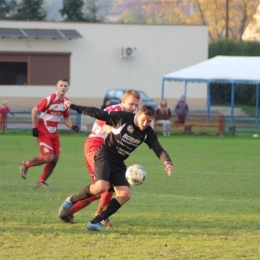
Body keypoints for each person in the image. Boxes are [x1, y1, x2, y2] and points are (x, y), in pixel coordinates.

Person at [59, 101, 173, 232]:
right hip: (104, 156)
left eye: (149, 121)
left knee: (125, 194)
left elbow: (157, 148)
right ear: (138, 114)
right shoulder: (123, 118)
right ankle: (71, 200)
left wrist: (167, 162)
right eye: (143, 120)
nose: (145, 124)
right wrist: (74, 106)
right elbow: (98, 113)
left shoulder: (148, 132)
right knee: (101, 187)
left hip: (118, 163)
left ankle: (95, 222)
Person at [61, 90, 141, 226]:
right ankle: (97, 215)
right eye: (131, 104)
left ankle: (75, 213)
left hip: (108, 151)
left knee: (102, 189)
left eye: (136, 105)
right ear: (123, 101)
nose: (133, 108)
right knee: (105, 185)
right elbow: (101, 122)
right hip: (95, 145)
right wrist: (115, 132)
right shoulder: (114, 109)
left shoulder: (131, 116)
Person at [19, 79, 79, 187]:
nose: (63, 87)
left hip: (54, 132)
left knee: (55, 158)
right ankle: (25, 164)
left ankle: (41, 181)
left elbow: (66, 119)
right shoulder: (51, 98)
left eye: (65, 86)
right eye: (61, 85)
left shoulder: (66, 102)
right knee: (48, 157)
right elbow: (34, 110)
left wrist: (73, 126)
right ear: (56, 87)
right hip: (43, 130)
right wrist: (34, 127)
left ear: (67, 88)